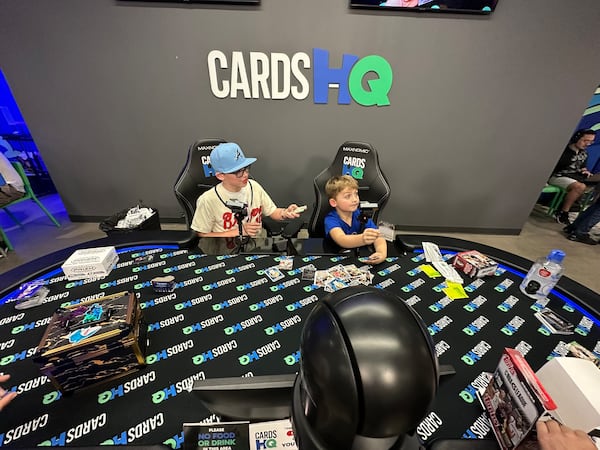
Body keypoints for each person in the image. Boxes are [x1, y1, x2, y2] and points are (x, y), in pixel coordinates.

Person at [191, 143, 300, 238]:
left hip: (255, 247)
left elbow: (272, 212)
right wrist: (238, 232)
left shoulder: (254, 186)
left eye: (246, 168)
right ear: (221, 176)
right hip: (225, 250)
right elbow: (201, 234)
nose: (245, 175)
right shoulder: (208, 200)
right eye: (238, 172)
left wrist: (285, 213)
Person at [324, 175, 387, 264]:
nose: (355, 199)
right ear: (334, 202)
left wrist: (381, 253)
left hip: (357, 257)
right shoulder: (330, 220)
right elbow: (342, 240)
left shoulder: (360, 214)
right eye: (348, 196)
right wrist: (363, 239)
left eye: (356, 194)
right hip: (334, 257)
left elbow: (377, 236)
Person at [548, 129, 597, 225]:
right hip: (558, 176)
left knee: (588, 185)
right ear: (576, 138)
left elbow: (582, 166)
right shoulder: (564, 151)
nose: (587, 144)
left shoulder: (584, 153)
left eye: (591, 142)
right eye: (585, 141)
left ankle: (580, 216)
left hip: (574, 177)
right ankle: (563, 212)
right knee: (580, 186)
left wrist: (584, 171)